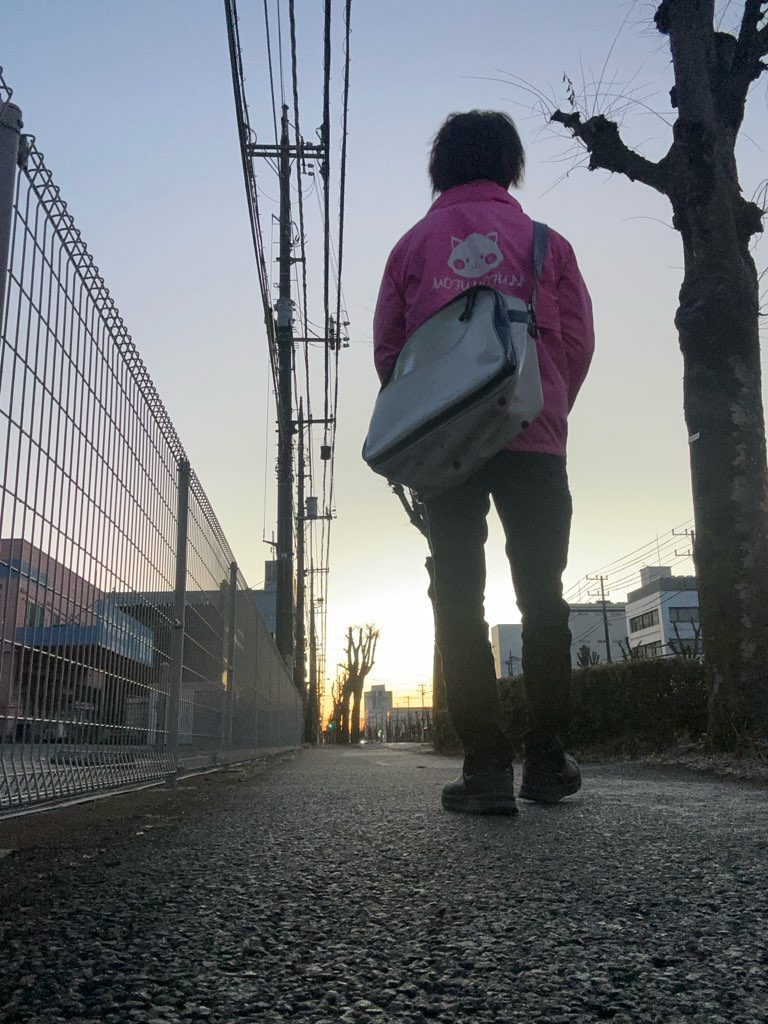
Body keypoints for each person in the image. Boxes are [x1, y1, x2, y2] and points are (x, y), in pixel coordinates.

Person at [372, 110, 595, 815]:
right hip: (534, 436)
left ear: (440, 166)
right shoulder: (547, 243)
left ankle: (487, 767)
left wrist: (434, 416)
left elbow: (390, 354)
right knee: (543, 594)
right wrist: (543, 407)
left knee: (458, 596)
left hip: (448, 443)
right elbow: (577, 342)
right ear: (509, 165)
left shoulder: (412, 246)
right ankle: (548, 761)